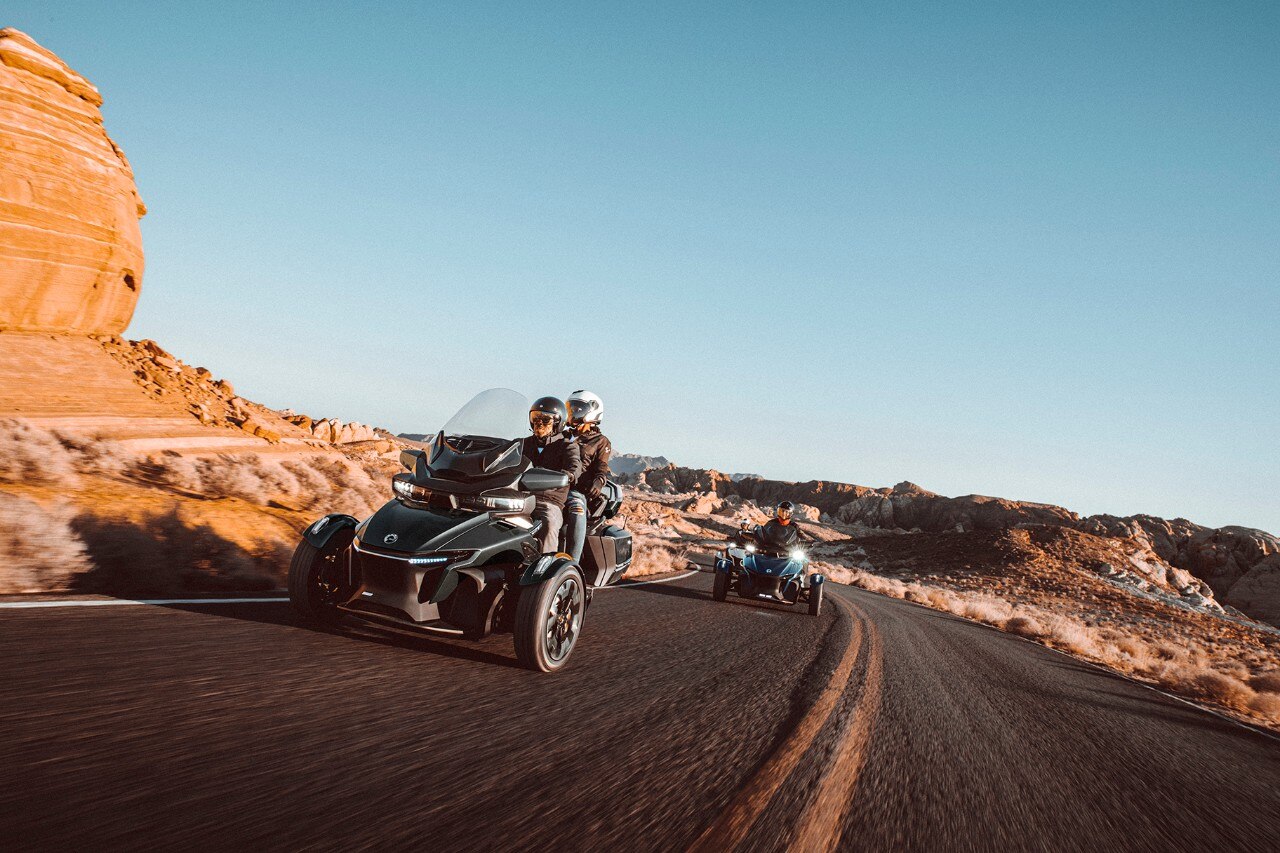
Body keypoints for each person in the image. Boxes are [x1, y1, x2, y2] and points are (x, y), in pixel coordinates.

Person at [521, 396, 582, 555]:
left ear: (558, 422)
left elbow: (575, 466)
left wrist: (568, 475)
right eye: (535, 418)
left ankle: (547, 565)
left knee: (549, 524)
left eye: (545, 419)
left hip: (548, 500)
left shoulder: (567, 446)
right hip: (519, 497)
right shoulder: (522, 444)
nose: (539, 423)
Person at [563, 390, 612, 562]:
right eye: (570, 408)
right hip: (552, 484)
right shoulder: (562, 435)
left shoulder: (600, 441)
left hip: (576, 489)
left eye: (577, 409)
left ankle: (572, 564)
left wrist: (598, 482)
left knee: (577, 507)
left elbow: (602, 467)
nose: (572, 412)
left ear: (592, 411)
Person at [744, 500, 811, 553]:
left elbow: (802, 536)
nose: (783, 514)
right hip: (768, 548)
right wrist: (756, 536)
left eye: (786, 512)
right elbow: (763, 532)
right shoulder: (771, 522)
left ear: (790, 514)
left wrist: (807, 541)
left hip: (787, 551)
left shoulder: (794, 526)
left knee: (801, 562)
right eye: (781, 511)